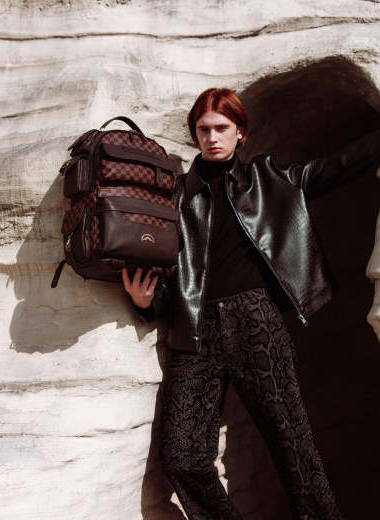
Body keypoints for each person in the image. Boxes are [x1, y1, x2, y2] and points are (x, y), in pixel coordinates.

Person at [122, 88, 380, 520]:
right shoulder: (179, 197)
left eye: (221, 128)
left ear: (240, 132)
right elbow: (173, 277)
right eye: (203, 129)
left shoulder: (266, 179)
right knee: (182, 457)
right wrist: (146, 303)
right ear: (194, 134)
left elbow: (333, 167)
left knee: (293, 449)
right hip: (195, 330)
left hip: (256, 322)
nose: (212, 137)